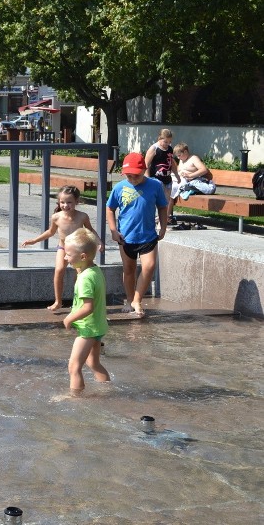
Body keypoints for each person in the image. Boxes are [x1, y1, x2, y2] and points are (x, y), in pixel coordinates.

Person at [21, 186, 103, 311]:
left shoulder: (82, 216)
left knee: (80, 274)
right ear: (59, 202)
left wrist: (99, 241)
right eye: (62, 202)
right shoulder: (56, 217)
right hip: (63, 247)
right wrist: (34, 240)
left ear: (77, 201)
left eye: (69, 202)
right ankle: (58, 301)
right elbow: (50, 232)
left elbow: (90, 230)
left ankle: (79, 301)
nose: (65, 205)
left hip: (78, 249)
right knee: (59, 270)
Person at [106, 152, 168, 318]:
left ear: (144, 170)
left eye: (136, 176)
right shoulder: (119, 187)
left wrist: (163, 226)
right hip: (126, 237)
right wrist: (113, 230)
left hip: (148, 235)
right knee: (129, 269)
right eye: (129, 176)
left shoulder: (155, 185)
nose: (132, 179)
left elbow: (162, 206)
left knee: (149, 266)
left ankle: (137, 299)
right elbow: (110, 208)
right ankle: (129, 299)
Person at [62, 227, 110, 395]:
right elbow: (81, 266)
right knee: (93, 363)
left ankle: (75, 397)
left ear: (82, 257)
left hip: (87, 329)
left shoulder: (84, 280)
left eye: (68, 254)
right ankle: (107, 390)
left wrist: (69, 318)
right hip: (97, 326)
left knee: (74, 367)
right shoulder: (94, 270)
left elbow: (87, 307)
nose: (64, 257)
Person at [168, 142, 216, 218]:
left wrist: (190, 175)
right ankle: (166, 216)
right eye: (177, 156)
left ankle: (167, 216)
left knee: (170, 190)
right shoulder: (182, 160)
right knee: (166, 188)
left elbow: (204, 170)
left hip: (190, 181)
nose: (178, 158)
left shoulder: (193, 158)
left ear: (186, 152)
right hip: (181, 180)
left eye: (179, 155)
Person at [144, 128, 179, 223]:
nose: (167, 144)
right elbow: (146, 164)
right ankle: (151, 220)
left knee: (166, 203)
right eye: (165, 141)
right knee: (156, 201)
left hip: (167, 178)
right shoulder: (154, 148)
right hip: (156, 178)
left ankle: (162, 223)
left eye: (170, 142)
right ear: (160, 138)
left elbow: (171, 163)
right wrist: (148, 178)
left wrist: (177, 175)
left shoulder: (170, 149)